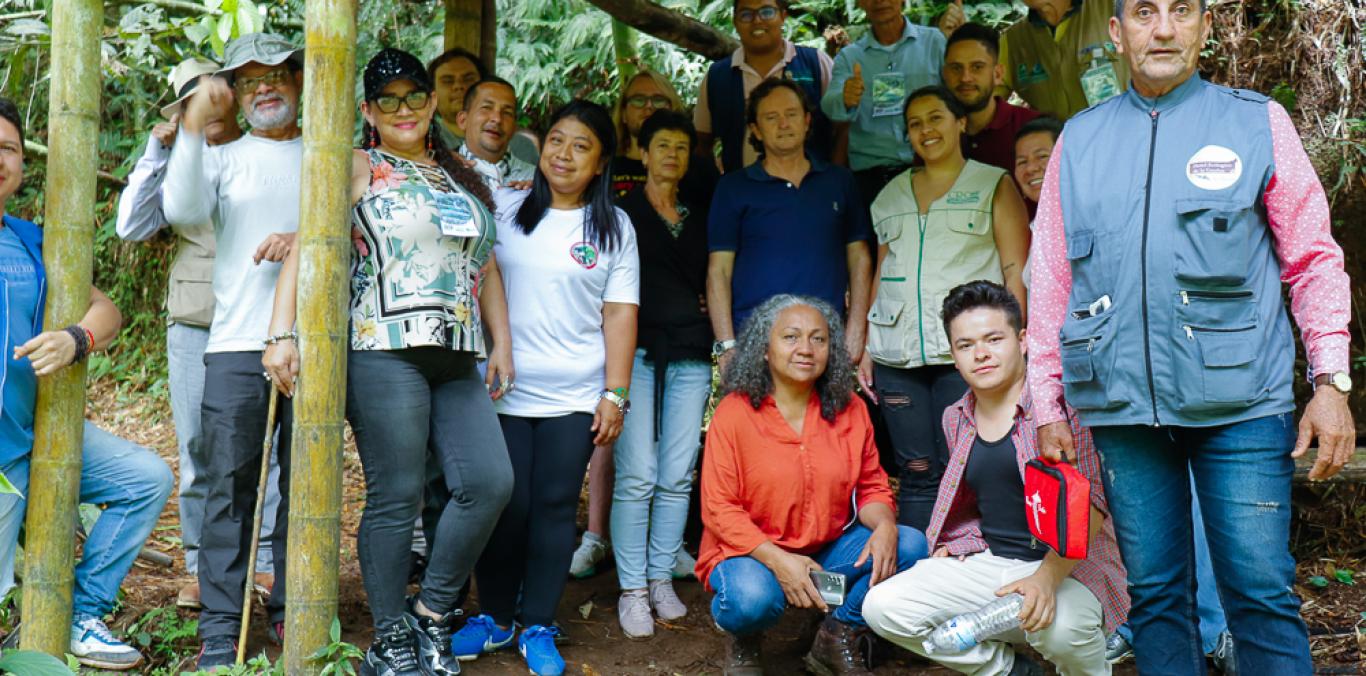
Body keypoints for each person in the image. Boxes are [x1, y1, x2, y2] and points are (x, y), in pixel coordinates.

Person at [1028, 1, 1354, 672]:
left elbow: (1314, 258)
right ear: (1116, 34)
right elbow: (1053, 278)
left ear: (1205, 28)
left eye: (1182, 11)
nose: (1165, 28)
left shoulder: (1256, 122)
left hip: (1242, 404)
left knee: (1259, 595)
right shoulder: (1079, 141)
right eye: (1145, 13)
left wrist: (1330, 380)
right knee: (1154, 598)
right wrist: (1046, 400)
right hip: (1121, 410)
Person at [261, 48, 515, 676]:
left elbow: (485, 264)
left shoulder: (459, 175)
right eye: (388, 99)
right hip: (382, 349)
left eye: (414, 97)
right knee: (397, 496)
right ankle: (391, 637)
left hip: (457, 353)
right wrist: (280, 334)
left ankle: (430, 616)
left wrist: (500, 339)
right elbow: (307, 243)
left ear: (432, 104)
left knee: (489, 483)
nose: (404, 109)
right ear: (370, 111)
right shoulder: (356, 165)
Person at [454, 99, 639, 676]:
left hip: (575, 394)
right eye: (557, 140)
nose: (564, 154)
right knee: (508, 505)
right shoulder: (505, 209)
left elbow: (619, 313)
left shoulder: (614, 226)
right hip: (503, 388)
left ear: (600, 161)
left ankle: (537, 622)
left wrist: (614, 392)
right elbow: (478, 276)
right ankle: (496, 617)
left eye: (580, 146)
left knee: (555, 507)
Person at [863, 280, 1126, 676]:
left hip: (1068, 567)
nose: (981, 354)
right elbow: (977, 501)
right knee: (884, 607)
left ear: (1022, 340)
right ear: (953, 355)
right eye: (966, 345)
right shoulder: (956, 416)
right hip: (993, 562)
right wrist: (957, 542)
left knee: (1061, 631)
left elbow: (1093, 507)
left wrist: (1045, 579)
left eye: (993, 339)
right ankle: (1011, 671)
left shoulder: (1060, 410)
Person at [0, 97, 174, 672]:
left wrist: (76, 339)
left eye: (7, 149)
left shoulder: (33, 241)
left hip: (33, 436)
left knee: (144, 479)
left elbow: (107, 309)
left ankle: (82, 615)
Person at [114, 56, 282, 613]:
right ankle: (200, 567)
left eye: (209, 97)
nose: (204, 110)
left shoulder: (261, 153)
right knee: (197, 449)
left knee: (273, 452)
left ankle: (264, 566)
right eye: (191, 104)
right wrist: (158, 150)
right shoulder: (181, 157)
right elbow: (133, 225)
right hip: (197, 320)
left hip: (267, 320)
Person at [161, 32, 304, 669]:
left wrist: (304, 237)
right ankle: (222, 629)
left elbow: (356, 222)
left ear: (299, 82)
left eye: (275, 73)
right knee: (229, 489)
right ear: (237, 97)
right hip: (238, 344)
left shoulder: (335, 154)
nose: (264, 86)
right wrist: (192, 131)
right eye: (248, 81)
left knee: (306, 490)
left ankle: (295, 612)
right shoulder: (223, 157)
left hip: (322, 345)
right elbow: (180, 205)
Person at [699, 294, 927, 676]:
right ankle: (744, 637)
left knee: (909, 544)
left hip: (826, 550)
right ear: (764, 349)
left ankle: (837, 632)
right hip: (751, 555)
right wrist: (780, 562)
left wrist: (885, 524)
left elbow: (872, 486)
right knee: (750, 600)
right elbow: (719, 508)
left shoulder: (850, 408)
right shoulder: (734, 413)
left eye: (818, 339)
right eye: (791, 337)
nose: (805, 348)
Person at [857, 85, 1030, 530]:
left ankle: (978, 572)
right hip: (897, 354)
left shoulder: (992, 183)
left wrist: (1019, 343)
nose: (925, 130)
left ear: (960, 123)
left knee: (972, 468)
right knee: (917, 476)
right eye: (915, 124)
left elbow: (1016, 269)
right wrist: (865, 347)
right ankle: (917, 581)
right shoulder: (890, 194)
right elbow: (880, 272)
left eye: (935, 118)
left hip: (970, 355)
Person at [609, 111, 712, 639]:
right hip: (637, 353)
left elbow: (716, 275)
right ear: (642, 154)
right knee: (637, 473)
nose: (671, 155)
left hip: (692, 350)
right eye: (661, 146)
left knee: (676, 473)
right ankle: (630, 589)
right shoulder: (619, 213)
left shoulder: (701, 214)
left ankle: (658, 578)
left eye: (680, 146)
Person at [707, 78, 872, 373]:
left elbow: (859, 258)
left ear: (808, 121)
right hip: (755, 340)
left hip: (825, 339)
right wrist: (726, 344)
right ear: (755, 129)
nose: (783, 124)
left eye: (792, 114)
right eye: (771, 117)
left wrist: (856, 330)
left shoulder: (839, 181)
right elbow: (718, 270)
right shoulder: (733, 188)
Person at [819, 0, 946, 207]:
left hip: (930, 171)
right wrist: (844, 97)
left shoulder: (934, 43)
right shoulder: (851, 57)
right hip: (871, 182)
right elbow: (829, 104)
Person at [695, 0, 834, 173]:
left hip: (811, 189)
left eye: (767, 12)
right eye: (746, 14)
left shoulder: (815, 63)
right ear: (735, 22)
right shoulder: (718, 76)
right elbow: (702, 140)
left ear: (783, 16)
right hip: (743, 194)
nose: (757, 20)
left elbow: (841, 125)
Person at [997, 0, 1130, 120]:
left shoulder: (1114, 7)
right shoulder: (1012, 41)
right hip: (1060, 145)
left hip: (1131, 138)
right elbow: (986, 103)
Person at [943, 23, 1040, 173]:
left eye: (977, 67)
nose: (965, 78)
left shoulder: (1033, 127)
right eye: (956, 68)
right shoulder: (936, 131)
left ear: (998, 74)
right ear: (945, 74)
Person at [457, 76, 535, 190]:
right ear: (463, 120)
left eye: (507, 112)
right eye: (486, 108)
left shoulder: (536, 179)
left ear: (514, 127)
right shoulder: (442, 170)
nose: (497, 119)